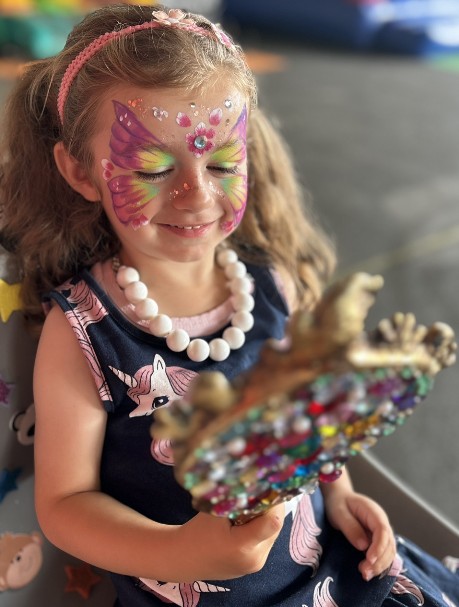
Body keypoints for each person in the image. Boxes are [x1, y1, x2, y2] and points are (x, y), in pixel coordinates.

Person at [0, 4, 457, 606]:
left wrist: (341, 493)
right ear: (80, 171)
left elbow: (308, 415)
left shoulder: (272, 286)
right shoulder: (83, 329)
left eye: (221, 162)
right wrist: (183, 552)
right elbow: (65, 504)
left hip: (336, 575)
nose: (196, 194)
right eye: (152, 168)